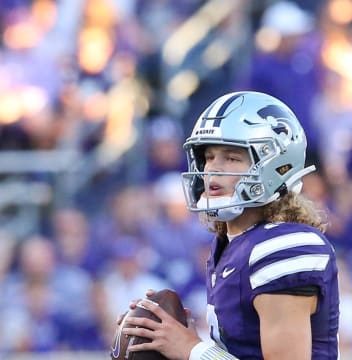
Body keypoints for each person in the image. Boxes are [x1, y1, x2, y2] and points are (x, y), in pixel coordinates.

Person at [120, 91, 340, 359]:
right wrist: (175, 338)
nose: (213, 168)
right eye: (209, 156)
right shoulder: (230, 243)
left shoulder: (284, 247)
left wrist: (192, 349)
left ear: (275, 166)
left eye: (232, 157)